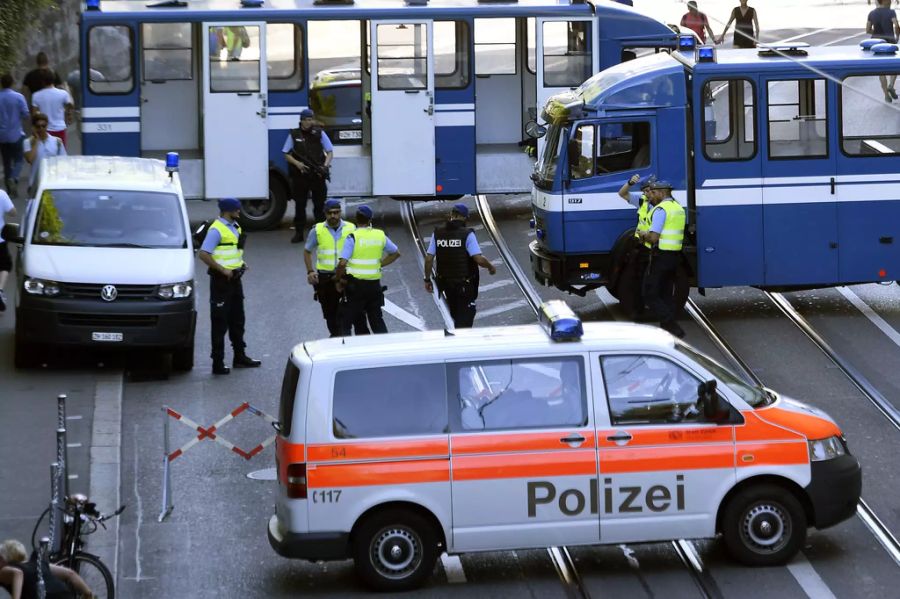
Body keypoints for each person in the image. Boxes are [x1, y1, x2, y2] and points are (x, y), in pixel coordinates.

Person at [198, 197, 261, 375]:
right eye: (237, 209)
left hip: (235, 280)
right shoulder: (216, 230)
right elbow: (204, 254)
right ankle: (217, 363)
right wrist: (222, 269)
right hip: (220, 282)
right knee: (219, 322)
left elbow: (231, 252)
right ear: (228, 211)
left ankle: (239, 356)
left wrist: (241, 263)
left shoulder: (235, 227)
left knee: (238, 319)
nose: (240, 211)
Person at [423, 203, 496, 328]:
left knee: (456, 314)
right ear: (465, 218)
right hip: (464, 284)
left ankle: (457, 339)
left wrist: (427, 279)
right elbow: (478, 259)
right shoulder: (467, 234)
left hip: (446, 284)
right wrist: (490, 267)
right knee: (466, 318)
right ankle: (461, 343)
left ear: (451, 215)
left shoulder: (438, 233)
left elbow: (429, 259)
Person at [303, 198, 369, 337]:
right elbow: (307, 251)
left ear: (340, 213)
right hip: (326, 278)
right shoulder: (317, 230)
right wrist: (310, 271)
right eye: (330, 213)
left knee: (357, 313)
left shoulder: (351, 228)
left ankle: (361, 345)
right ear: (325, 213)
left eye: (336, 212)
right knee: (330, 313)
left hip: (348, 276)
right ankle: (337, 340)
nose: (333, 216)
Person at [335, 205, 400, 335]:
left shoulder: (352, 237)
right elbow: (396, 253)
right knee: (377, 321)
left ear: (355, 219)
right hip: (374, 287)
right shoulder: (379, 235)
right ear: (370, 220)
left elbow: (342, 263)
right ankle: (385, 348)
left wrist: (338, 280)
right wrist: (379, 264)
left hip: (355, 287)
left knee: (346, 321)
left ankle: (345, 350)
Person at [637, 180, 686, 338]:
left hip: (661, 256)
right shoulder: (677, 207)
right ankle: (668, 330)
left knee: (649, 293)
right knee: (666, 293)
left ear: (661, 193)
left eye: (653, 192)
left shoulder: (661, 210)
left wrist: (642, 234)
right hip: (674, 256)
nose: (650, 195)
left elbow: (653, 237)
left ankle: (672, 326)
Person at [282, 108, 333, 244]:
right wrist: (297, 164)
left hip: (317, 175)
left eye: (310, 119)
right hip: (301, 176)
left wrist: (325, 166)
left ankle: (320, 234)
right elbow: (286, 153)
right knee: (300, 205)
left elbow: (329, 151)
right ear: (301, 120)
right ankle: (299, 233)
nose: (308, 122)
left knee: (319, 206)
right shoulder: (294, 134)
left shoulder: (319, 133)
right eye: (306, 120)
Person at [612, 174, 655, 318]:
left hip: (653, 247)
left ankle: (646, 308)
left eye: (649, 190)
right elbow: (622, 193)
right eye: (645, 191)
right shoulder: (642, 201)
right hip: (641, 246)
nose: (647, 193)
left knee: (648, 280)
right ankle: (637, 309)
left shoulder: (661, 206)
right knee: (636, 278)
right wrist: (630, 183)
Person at [0, 538, 93, 599]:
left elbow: (18, 573)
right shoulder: (38, 563)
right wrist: (88, 593)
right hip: (65, 595)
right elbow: (70, 573)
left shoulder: (6, 570)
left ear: (5, 559)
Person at [23, 113, 66, 197]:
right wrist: (37, 141)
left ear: (47, 126)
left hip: (53, 183)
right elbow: (30, 160)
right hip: (35, 184)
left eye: (44, 126)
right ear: (34, 127)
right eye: (38, 126)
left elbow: (64, 162)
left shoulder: (57, 142)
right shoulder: (27, 142)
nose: (41, 129)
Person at [0, 75, 29, 198]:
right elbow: (26, 114)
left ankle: (10, 190)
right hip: (16, 134)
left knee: (6, 163)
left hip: (2, 135)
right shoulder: (18, 97)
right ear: (12, 83)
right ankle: (14, 178)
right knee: (19, 159)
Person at [867, 0, 900, 101]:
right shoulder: (891, 12)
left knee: (881, 71)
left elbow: (868, 30)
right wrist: (897, 37)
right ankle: (891, 85)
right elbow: (896, 25)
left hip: (876, 43)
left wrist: (876, 34)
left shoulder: (871, 13)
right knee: (895, 65)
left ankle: (886, 95)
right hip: (890, 41)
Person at [30, 72, 73, 149]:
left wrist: (34, 129)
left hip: (43, 129)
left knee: (45, 155)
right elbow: (71, 104)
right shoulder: (63, 93)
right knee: (60, 154)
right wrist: (68, 114)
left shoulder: (36, 95)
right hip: (60, 128)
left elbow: (34, 115)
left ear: (42, 81)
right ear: (54, 80)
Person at [0, 188, 15, 312]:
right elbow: (13, 212)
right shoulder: (1, 194)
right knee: (5, 265)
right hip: (0, 239)